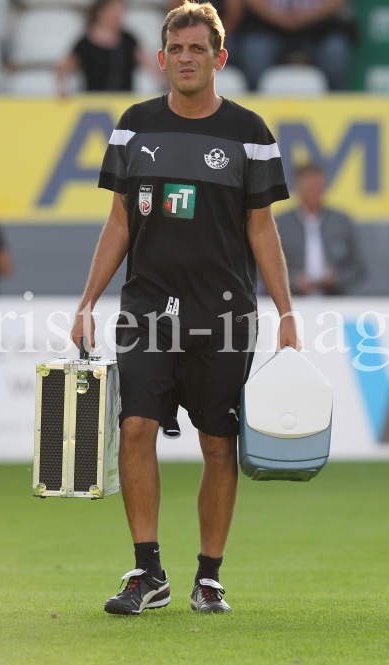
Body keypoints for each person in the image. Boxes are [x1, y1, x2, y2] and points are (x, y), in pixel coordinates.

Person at [68, 1, 296, 616]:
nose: (187, 58)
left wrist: (287, 312)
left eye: (199, 49)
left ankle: (209, 576)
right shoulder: (132, 125)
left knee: (218, 444)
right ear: (162, 58)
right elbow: (118, 222)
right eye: (177, 49)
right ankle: (148, 573)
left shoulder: (250, 132)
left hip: (223, 313)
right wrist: (88, 299)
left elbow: (262, 230)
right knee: (134, 426)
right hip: (146, 307)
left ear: (220, 58)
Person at [275, 163, 364, 295]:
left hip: (334, 300)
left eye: (320, 188)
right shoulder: (280, 224)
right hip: (293, 300)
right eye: (311, 188)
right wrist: (293, 280)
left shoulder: (340, 222)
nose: (316, 193)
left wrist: (336, 277)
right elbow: (266, 268)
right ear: (298, 189)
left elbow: (358, 268)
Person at [236, 0, 353, 91]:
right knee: (255, 52)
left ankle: (334, 107)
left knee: (335, 51)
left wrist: (308, 16)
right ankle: (253, 112)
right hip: (268, 27)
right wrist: (279, 17)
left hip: (320, 28)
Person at [55, 0, 159, 95]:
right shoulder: (85, 43)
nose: (118, 15)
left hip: (124, 103)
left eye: (122, 10)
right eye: (114, 10)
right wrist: (63, 89)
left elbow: (151, 66)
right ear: (101, 11)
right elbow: (62, 69)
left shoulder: (129, 40)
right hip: (94, 104)